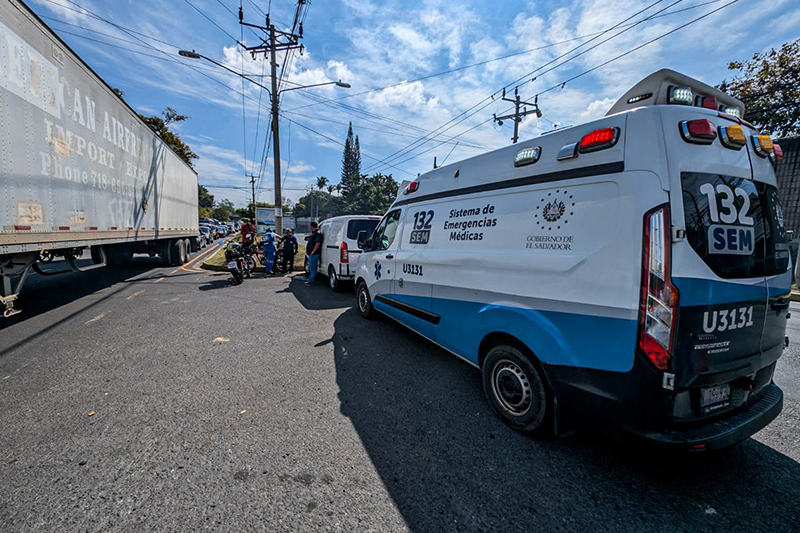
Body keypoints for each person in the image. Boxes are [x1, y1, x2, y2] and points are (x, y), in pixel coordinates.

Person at [306, 221, 323, 286]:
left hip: (314, 254)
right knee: (311, 267)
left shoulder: (317, 234)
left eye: (310, 226)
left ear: (312, 226)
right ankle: (310, 279)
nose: (310, 227)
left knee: (313, 268)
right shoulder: (314, 233)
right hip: (312, 254)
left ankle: (311, 281)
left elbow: (317, 243)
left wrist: (313, 251)